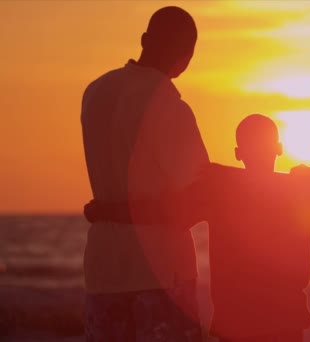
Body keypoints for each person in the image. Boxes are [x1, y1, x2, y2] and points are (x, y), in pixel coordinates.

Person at [80, 7, 205, 341]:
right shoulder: (168, 106)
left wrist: (106, 210)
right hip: (161, 272)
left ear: (145, 40)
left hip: (103, 269)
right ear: (186, 56)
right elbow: (199, 197)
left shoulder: (94, 93)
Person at [207, 114, 310, 342]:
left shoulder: (219, 191)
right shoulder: (298, 192)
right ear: (279, 148)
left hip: (237, 317)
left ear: (237, 153)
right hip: (283, 315)